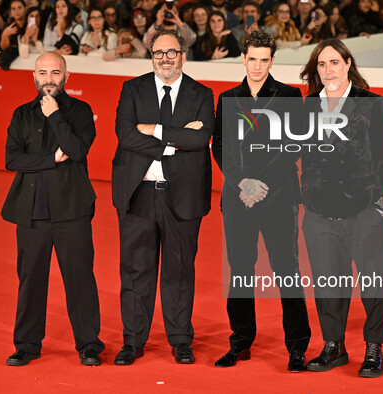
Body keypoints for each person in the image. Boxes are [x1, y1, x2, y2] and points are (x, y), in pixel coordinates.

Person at [112, 29, 214, 366]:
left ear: (183, 56)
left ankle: (181, 340)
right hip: (137, 193)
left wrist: (152, 129)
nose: (165, 59)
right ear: (151, 56)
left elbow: (201, 141)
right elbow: (126, 135)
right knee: (136, 270)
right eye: (158, 53)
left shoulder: (202, 93)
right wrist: (175, 140)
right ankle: (133, 341)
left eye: (171, 52)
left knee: (179, 271)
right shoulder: (132, 89)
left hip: (181, 196)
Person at [212, 30, 311, 373]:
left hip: (278, 199)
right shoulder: (227, 97)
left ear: (272, 60)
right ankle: (240, 342)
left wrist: (261, 183)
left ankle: (297, 348)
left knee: (287, 272)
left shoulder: (289, 95)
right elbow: (220, 145)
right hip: (238, 198)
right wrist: (242, 182)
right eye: (251, 58)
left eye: (264, 59)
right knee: (241, 272)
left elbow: (293, 145)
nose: (257, 65)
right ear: (243, 58)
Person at [1, 51, 105, 367]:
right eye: (43, 73)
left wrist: (55, 115)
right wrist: (49, 160)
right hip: (31, 213)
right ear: (34, 76)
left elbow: (75, 150)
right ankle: (27, 345)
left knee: (80, 279)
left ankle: (89, 345)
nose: (49, 79)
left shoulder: (81, 111)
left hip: (72, 211)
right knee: (30, 280)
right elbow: (12, 159)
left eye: (55, 73)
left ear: (66, 76)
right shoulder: (21, 114)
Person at [299, 38, 383, 378]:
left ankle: (373, 348)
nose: (328, 70)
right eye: (322, 64)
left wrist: (380, 206)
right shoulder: (308, 106)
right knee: (326, 283)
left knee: (373, 281)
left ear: (348, 64)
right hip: (319, 212)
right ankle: (334, 345)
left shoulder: (371, 104)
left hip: (363, 211)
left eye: (334, 63)